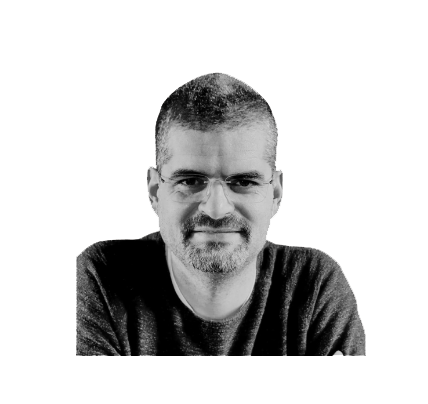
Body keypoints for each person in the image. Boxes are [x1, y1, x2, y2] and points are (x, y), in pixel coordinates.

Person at [76, 72, 366, 356]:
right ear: (154, 191)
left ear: (276, 194)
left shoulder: (313, 285)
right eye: (190, 181)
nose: (216, 209)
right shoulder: (103, 277)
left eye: (244, 182)